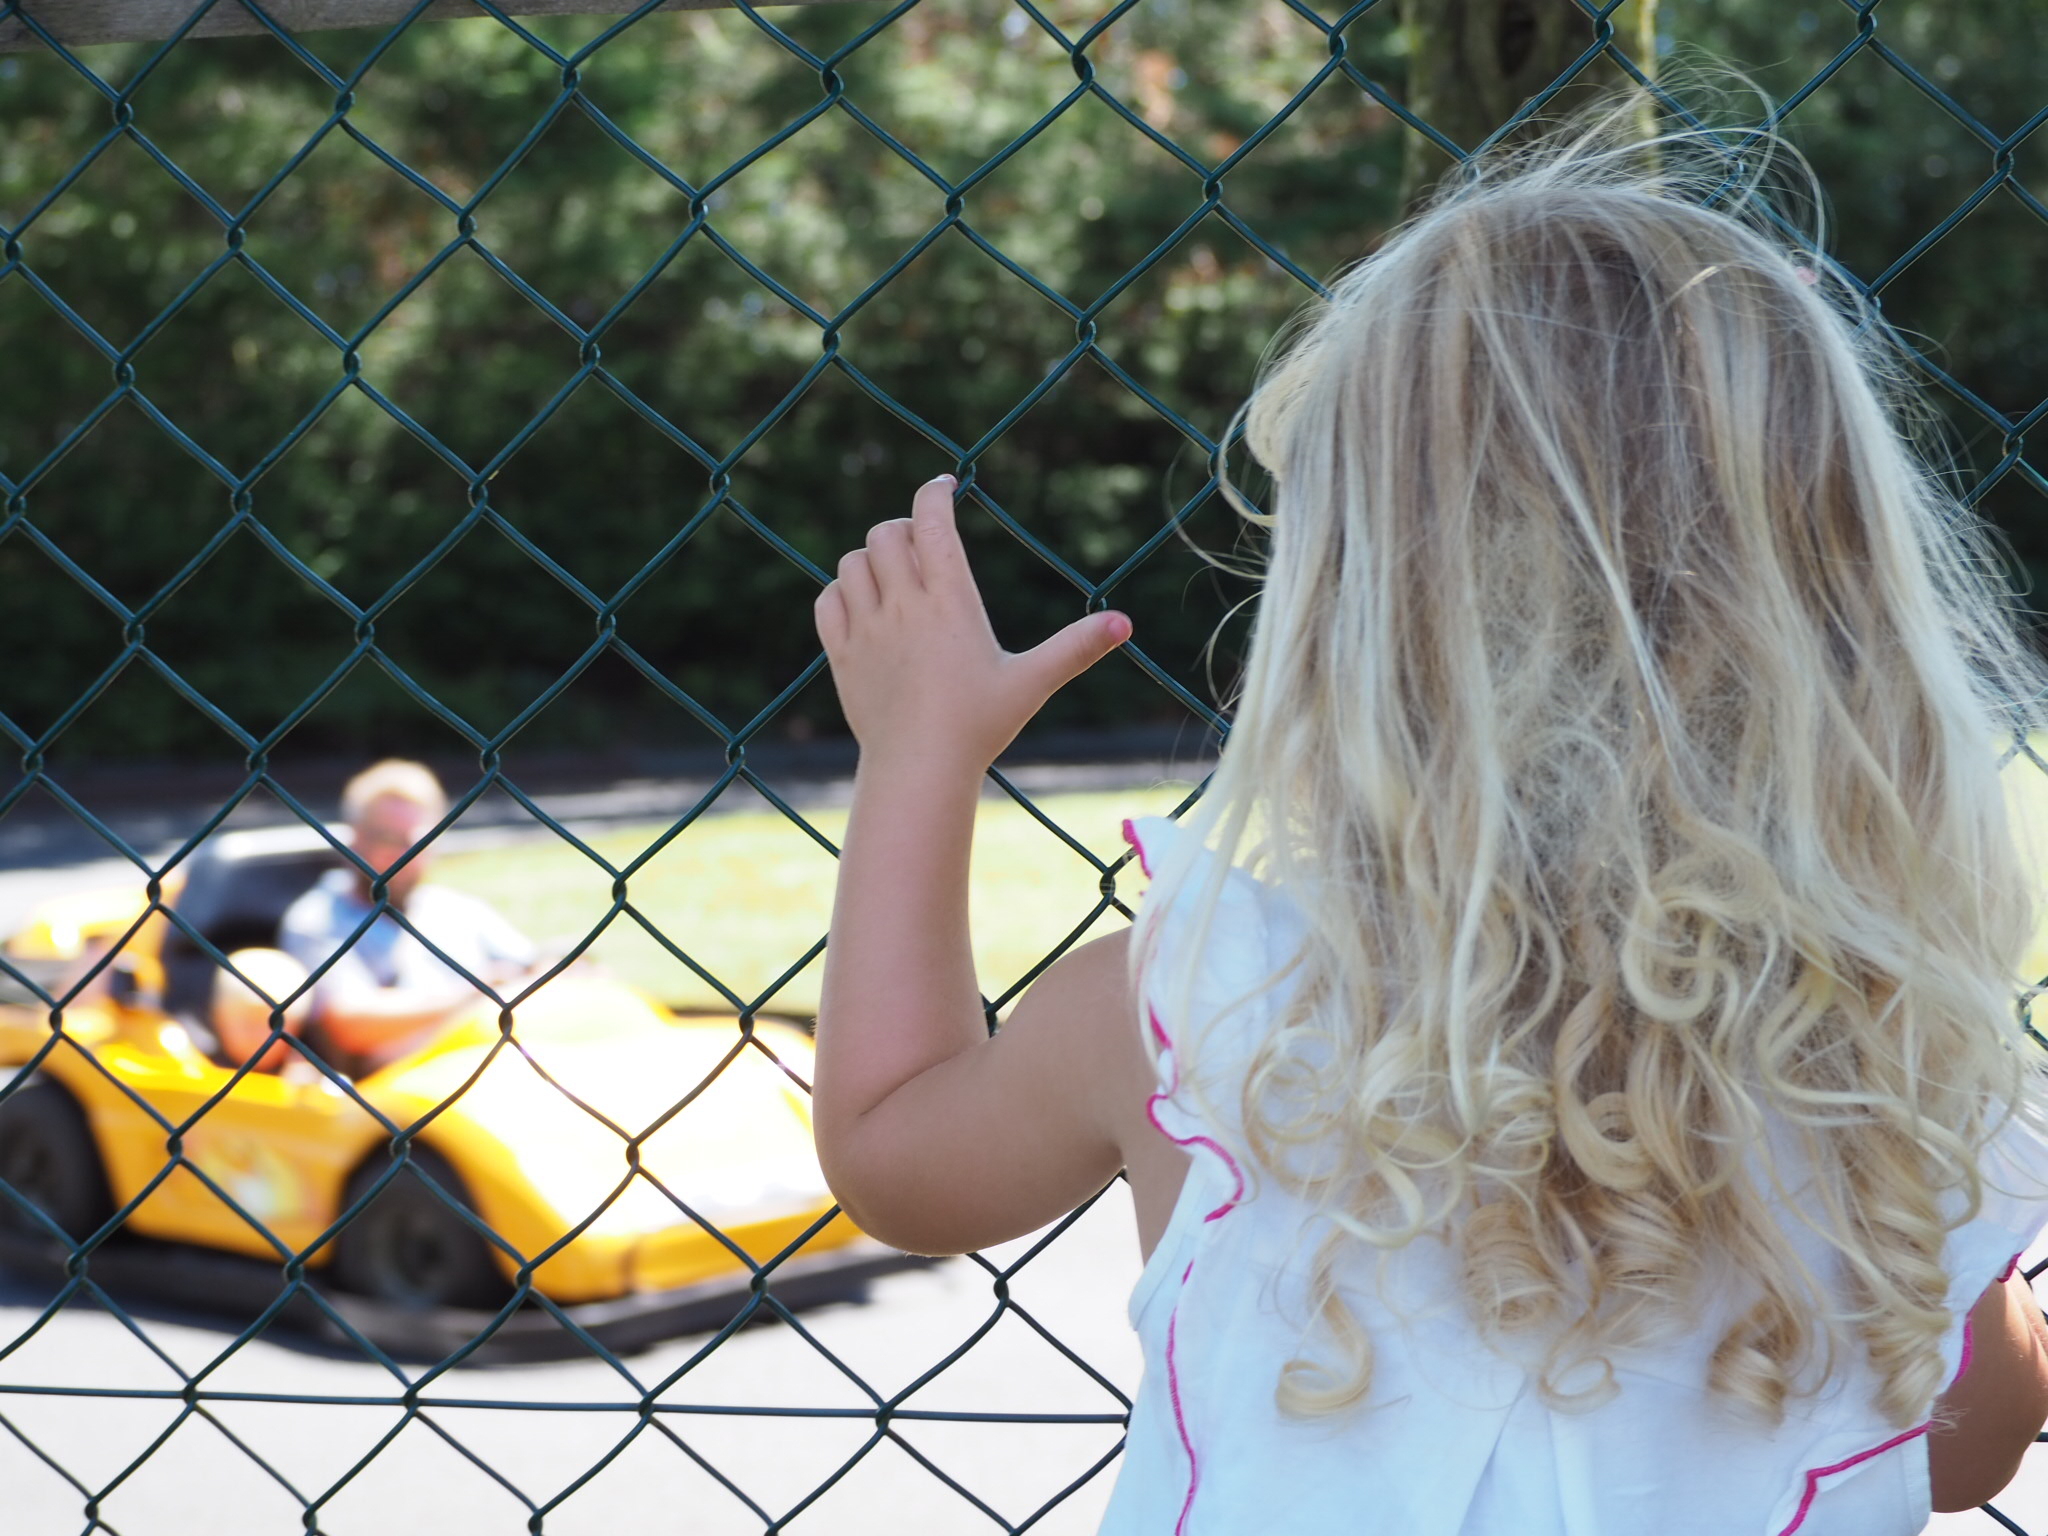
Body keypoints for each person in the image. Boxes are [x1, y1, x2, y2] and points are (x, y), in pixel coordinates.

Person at [806, 111, 2048, 1535]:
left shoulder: (1209, 1004)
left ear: (1352, 616)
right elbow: (1964, 1448)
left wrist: (921, 753)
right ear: (1842, 616)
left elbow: (894, 1152)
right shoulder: (1875, 1053)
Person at [280, 760, 533, 1074]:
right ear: (355, 838)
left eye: (413, 841)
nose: (398, 854)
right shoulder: (317, 919)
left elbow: (534, 967)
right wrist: (478, 994)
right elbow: (349, 1025)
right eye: (384, 837)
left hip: (500, 1065)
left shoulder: (456, 908)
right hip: (399, 1095)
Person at [210, 947, 314, 1078]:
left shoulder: (311, 1087)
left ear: (297, 1028)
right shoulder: (189, 1068)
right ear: (218, 1015)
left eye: (274, 1024)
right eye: (250, 1023)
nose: (261, 1036)